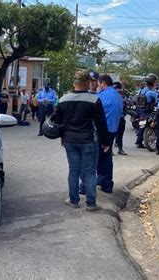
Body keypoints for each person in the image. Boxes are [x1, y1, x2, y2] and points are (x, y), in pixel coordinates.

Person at [53, 70, 110, 211]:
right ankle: (91, 203)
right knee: (90, 172)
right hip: (89, 141)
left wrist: (62, 137)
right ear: (87, 83)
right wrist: (106, 142)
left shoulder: (63, 99)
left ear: (74, 83)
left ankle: (73, 200)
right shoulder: (94, 100)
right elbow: (101, 123)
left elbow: (57, 120)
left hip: (70, 141)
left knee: (74, 171)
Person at [96, 75, 123, 194]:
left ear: (103, 83)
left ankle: (90, 185)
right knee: (106, 157)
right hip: (113, 130)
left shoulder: (101, 96)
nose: (98, 86)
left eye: (98, 84)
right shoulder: (118, 96)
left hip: (102, 131)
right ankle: (106, 184)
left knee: (96, 158)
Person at [135, 74, 159, 148]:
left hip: (139, 111)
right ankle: (140, 141)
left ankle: (139, 141)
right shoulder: (151, 92)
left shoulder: (141, 90)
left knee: (142, 125)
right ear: (153, 82)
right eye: (155, 81)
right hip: (147, 112)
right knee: (149, 124)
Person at [114, 82, 128, 155]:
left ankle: (119, 149)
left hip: (119, 117)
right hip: (117, 117)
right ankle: (119, 149)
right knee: (117, 134)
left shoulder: (122, 97)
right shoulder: (120, 97)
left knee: (117, 134)